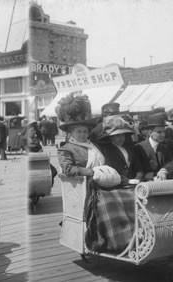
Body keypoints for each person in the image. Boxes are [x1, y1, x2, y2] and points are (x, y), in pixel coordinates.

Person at [56, 93, 134, 254]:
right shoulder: (66, 149)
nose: (83, 134)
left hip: (105, 182)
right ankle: (117, 241)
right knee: (110, 202)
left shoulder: (94, 145)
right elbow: (68, 169)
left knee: (130, 195)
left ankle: (133, 236)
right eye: (79, 131)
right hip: (88, 187)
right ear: (71, 132)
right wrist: (91, 172)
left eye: (85, 131)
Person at [133, 112, 173, 181]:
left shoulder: (164, 147)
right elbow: (139, 171)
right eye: (159, 132)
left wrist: (164, 170)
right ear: (150, 132)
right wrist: (154, 177)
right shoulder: (139, 148)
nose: (163, 135)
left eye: (164, 132)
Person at [95, 115, 138, 184]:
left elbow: (138, 168)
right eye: (117, 135)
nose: (121, 138)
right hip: (115, 186)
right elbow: (110, 170)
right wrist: (126, 181)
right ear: (111, 137)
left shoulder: (128, 148)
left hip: (133, 185)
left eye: (122, 135)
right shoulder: (106, 151)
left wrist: (137, 179)